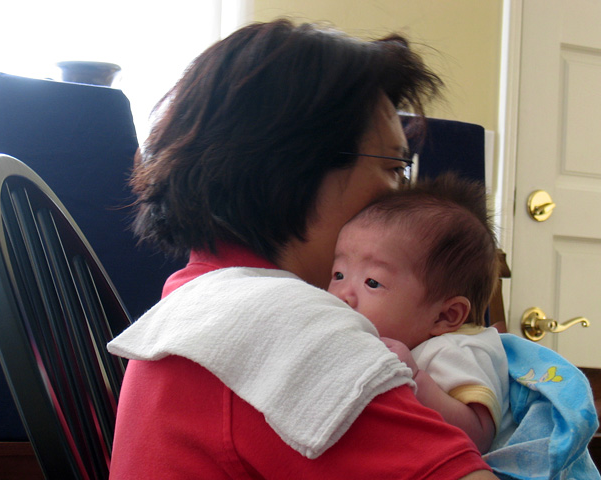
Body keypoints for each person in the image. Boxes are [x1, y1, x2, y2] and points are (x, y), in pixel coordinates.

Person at [107, 19, 497, 479]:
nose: (400, 200)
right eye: (394, 168)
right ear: (297, 167)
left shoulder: (200, 297)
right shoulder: (288, 329)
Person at [327, 174, 514, 455]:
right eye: (338, 274)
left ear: (446, 316)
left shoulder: (455, 351)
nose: (343, 294)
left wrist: (414, 377)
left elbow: (479, 436)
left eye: (372, 282)